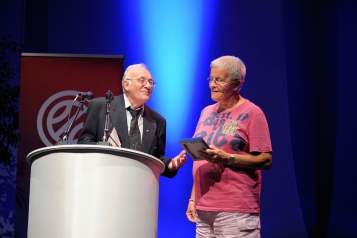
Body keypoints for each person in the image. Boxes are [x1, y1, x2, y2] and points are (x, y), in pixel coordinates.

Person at [185, 56, 272, 237]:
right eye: (211, 79)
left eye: (219, 80)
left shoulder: (252, 113)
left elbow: (265, 160)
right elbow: (201, 159)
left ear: (236, 84)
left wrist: (228, 158)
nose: (212, 84)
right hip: (204, 207)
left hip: (235, 209)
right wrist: (193, 199)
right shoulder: (206, 112)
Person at [78, 63, 186, 178]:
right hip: (104, 180)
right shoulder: (101, 107)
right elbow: (84, 143)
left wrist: (169, 165)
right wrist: (106, 148)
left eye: (151, 82)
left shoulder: (158, 121)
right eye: (142, 80)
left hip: (139, 188)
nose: (148, 86)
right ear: (126, 84)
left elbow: (156, 158)